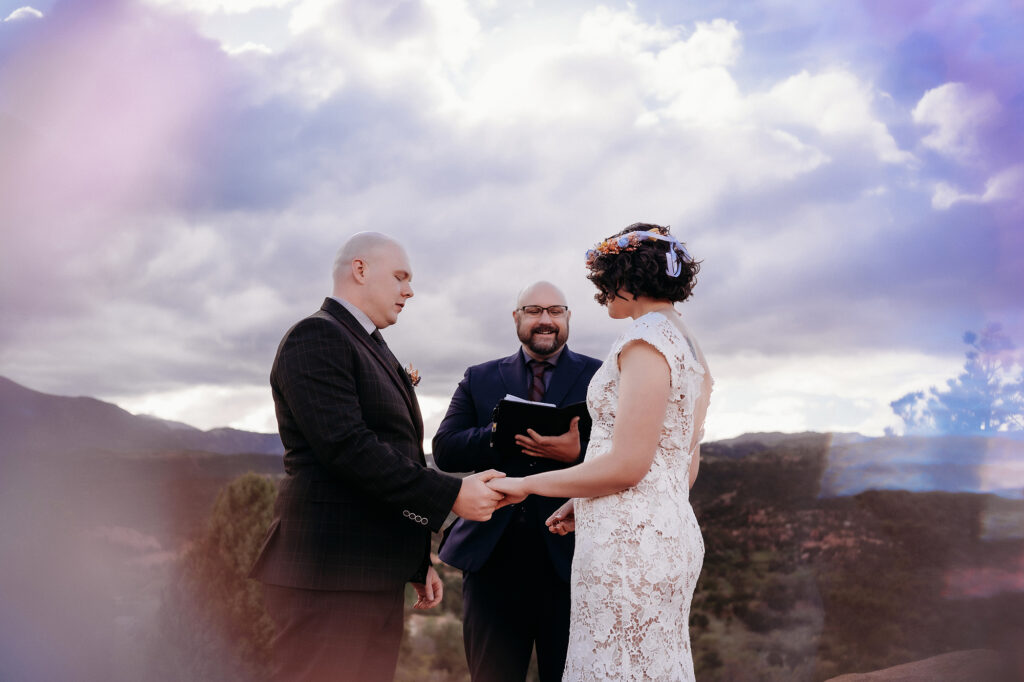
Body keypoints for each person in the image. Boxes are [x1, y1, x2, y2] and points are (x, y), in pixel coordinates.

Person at [249, 232, 506, 682]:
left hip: (369, 573)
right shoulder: (316, 336)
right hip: (328, 577)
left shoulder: (370, 344)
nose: (410, 291)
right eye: (401, 277)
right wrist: (451, 496)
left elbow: (398, 453)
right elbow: (347, 448)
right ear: (360, 270)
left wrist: (413, 561)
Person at [489, 224, 712, 681]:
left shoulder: (646, 339)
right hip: (666, 531)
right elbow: (680, 465)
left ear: (627, 279)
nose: (600, 293)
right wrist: (586, 498)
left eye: (603, 280)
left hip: (629, 546)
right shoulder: (689, 344)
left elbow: (628, 466)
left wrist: (526, 484)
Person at [433, 281, 602, 682]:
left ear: (567, 318)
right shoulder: (479, 377)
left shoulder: (602, 376)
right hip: (493, 562)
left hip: (573, 560)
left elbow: (627, 456)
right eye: (533, 310)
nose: (545, 320)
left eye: (555, 311)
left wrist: (573, 455)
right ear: (517, 318)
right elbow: (445, 450)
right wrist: (503, 435)